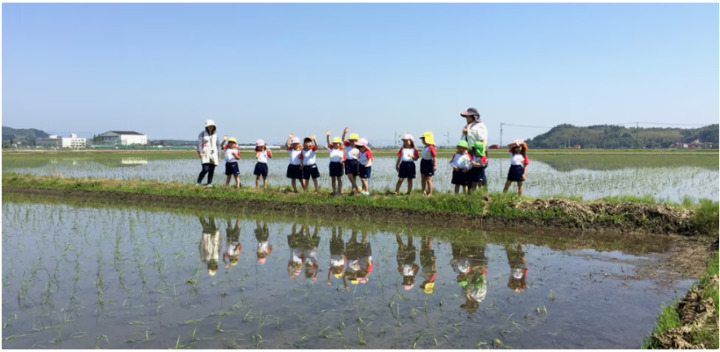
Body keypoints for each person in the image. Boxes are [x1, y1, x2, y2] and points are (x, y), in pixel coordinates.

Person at [197, 120, 220, 187]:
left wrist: (219, 155)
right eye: (209, 126)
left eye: (212, 126)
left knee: (212, 169)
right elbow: (199, 144)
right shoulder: (202, 134)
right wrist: (200, 152)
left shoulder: (215, 135)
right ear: (206, 127)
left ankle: (209, 183)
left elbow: (218, 145)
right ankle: (198, 182)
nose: (210, 127)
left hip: (213, 154)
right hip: (205, 153)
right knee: (205, 169)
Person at [341, 127, 361, 194]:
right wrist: (345, 132)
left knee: (354, 176)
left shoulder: (359, 147)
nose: (353, 142)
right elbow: (343, 139)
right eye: (351, 141)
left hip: (356, 162)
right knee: (349, 176)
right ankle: (357, 188)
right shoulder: (347, 146)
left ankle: (353, 190)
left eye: (354, 141)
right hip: (348, 161)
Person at [326, 130, 346, 196]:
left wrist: (343, 164)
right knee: (333, 178)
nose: (336, 144)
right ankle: (334, 191)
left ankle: (339, 190)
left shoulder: (341, 151)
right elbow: (328, 143)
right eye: (334, 143)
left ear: (340, 144)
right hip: (332, 164)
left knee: (339, 178)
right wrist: (328, 136)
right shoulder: (331, 149)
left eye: (337, 143)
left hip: (339, 164)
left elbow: (343, 159)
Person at [419, 131, 438, 197]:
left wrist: (435, 165)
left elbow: (434, 156)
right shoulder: (424, 147)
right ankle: (423, 191)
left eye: (424, 139)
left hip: (429, 163)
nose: (423, 141)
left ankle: (430, 193)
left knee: (428, 179)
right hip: (423, 162)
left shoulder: (431, 147)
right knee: (423, 178)